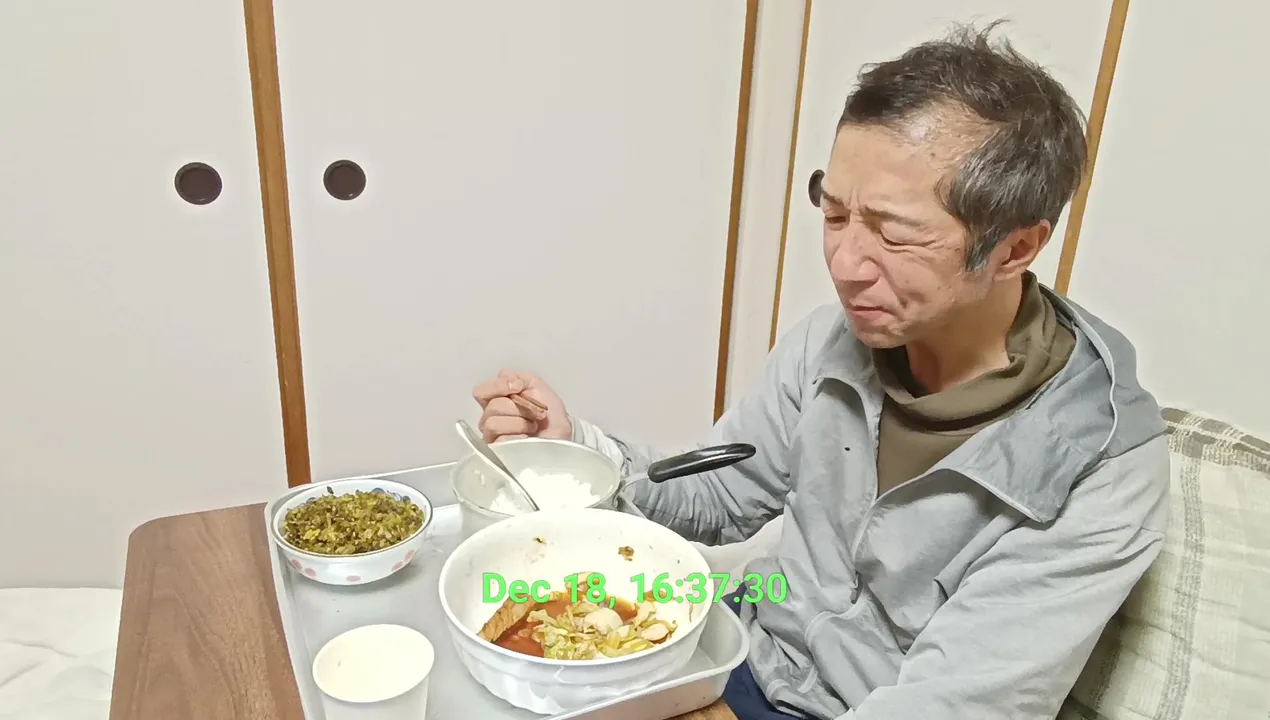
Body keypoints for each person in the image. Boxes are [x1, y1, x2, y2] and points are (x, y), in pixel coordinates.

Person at [472, 23, 1169, 720]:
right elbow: (718, 497)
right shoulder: (835, 341)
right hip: (735, 650)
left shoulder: (1096, 464)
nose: (845, 265)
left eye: (894, 234)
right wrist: (573, 453)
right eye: (834, 213)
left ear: (1015, 249)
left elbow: (957, 704)